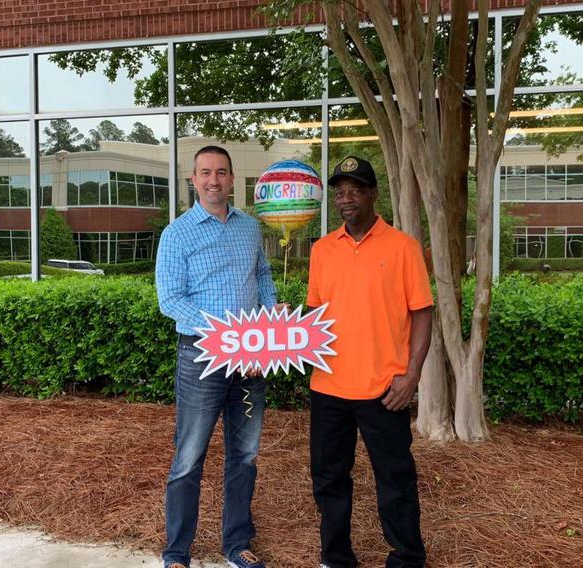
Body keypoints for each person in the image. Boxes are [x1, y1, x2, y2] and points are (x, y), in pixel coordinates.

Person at [155, 146, 284, 568]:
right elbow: (170, 299)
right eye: (206, 172)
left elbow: (262, 274)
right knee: (189, 455)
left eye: (222, 172)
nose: (214, 180)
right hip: (201, 358)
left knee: (244, 454)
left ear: (232, 180)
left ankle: (236, 545)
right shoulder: (177, 233)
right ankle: (177, 553)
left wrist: (271, 314)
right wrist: (225, 335)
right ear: (193, 179)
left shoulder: (249, 228)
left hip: (251, 358)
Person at [306, 156, 434, 568]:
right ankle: (336, 558)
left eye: (355, 190)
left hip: (384, 390)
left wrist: (411, 376)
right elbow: (313, 316)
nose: (346, 199)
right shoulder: (322, 250)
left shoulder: (403, 247)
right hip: (328, 388)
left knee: (395, 481)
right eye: (340, 192)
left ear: (373, 194)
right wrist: (282, 335)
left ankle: (407, 558)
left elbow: (422, 313)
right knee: (329, 480)